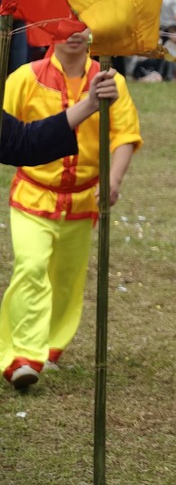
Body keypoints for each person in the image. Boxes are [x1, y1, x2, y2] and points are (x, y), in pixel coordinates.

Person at [1, 29, 142, 389]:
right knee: (31, 269)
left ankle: (50, 348)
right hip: (34, 195)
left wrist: (113, 180)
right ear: (48, 30)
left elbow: (125, 134)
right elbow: (12, 136)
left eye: (82, 26)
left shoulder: (111, 82)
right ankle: (21, 356)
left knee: (67, 280)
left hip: (83, 199)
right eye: (64, 25)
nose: (74, 34)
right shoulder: (24, 78)